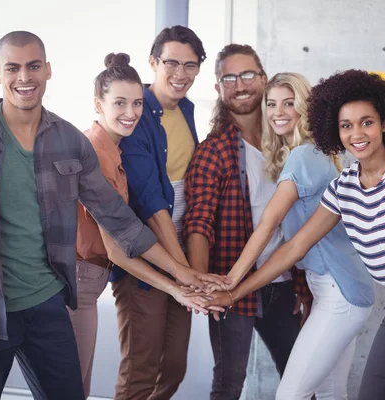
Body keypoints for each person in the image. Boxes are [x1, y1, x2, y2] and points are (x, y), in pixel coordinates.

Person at [0, 31, 212, 400]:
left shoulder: (68, 140)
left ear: (48, 70)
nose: (24, 77)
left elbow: (119, 219)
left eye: (33, 66)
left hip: (48, 304)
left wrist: (183, 274)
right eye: (12, 68)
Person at [203, 69, 385, 400]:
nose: (356, 133)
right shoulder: (344, 185)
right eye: (346, 125)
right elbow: (295, 248)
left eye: (367, 122)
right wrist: (235, 292)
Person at [197, 72, 375, 399]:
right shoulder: (314, 153)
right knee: (330, 393)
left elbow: (270, 225)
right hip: (339, 289)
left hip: (339, 292)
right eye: (272, 103)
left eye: (289, 103)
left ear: (304, 109)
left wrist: (232, 281)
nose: (278, 111)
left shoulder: (304, 156)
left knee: (291, 394)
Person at [69, 52, 221, 398]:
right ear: (98, 104)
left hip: (91, 281)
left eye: (137, 103)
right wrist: (178, 282)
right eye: (119, 103)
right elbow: (118, 248)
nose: (131, 112)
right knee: (75, 387)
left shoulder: (116, 152)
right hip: (76, 280)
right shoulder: (93, 153)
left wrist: (183, 277)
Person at [183, 45, 312, 400]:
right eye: (229, 77)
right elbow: (198, 223)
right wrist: (202, 286)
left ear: (263, 79)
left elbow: (298, 225)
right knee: (229, 384)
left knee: (301, 380)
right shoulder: (215, 150)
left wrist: (303, 286)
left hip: (282, 284)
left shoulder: (289, 145)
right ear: (219, 88)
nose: (239, 85)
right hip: (230, 287)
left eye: (247, 75)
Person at [112, 26, 209, 399]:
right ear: (153, 63)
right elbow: (152, 201)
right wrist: (182, 270)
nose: (180, 73)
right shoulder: (137, 116)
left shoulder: (186, 110)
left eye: (191, 65)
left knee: (173, 368)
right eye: (171, 63)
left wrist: (189, 266)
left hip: (180, 251)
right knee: (141, 372)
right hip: (148, 260)